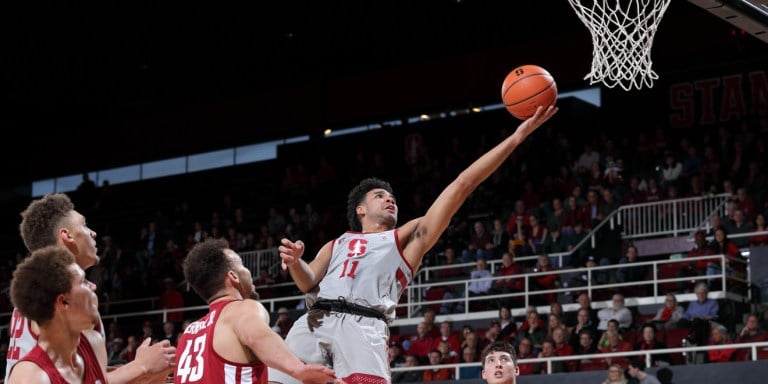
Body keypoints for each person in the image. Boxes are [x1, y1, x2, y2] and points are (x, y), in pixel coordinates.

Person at [270, 106, 558, 383]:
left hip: (364, 324)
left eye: (391, 196)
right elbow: (307, 284)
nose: (390, 199)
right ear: (360, 210)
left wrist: (517, 136)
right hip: (316, 318)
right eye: (380, 196)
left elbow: (462, 185)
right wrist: (296, 263)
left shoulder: (409, 239)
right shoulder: (336, 244)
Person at [7, 193, 175, 384]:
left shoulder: (39, 287)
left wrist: (146, 372)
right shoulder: (57, 296)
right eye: (84, 225)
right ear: (67, 236)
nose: (93, 233)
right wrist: (141, 367)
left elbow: (92, 374)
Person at [176, 238, 338, 383]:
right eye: (243, 266)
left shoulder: (188, 334)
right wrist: (297, 368)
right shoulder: (241, 308)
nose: (248, 272)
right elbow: (257, 336)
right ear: (234, 276)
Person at [7, 246, 108, 383]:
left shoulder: (94, 344)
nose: (93, 286)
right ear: (64, 302)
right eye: (83, 281)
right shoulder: (32, 378)